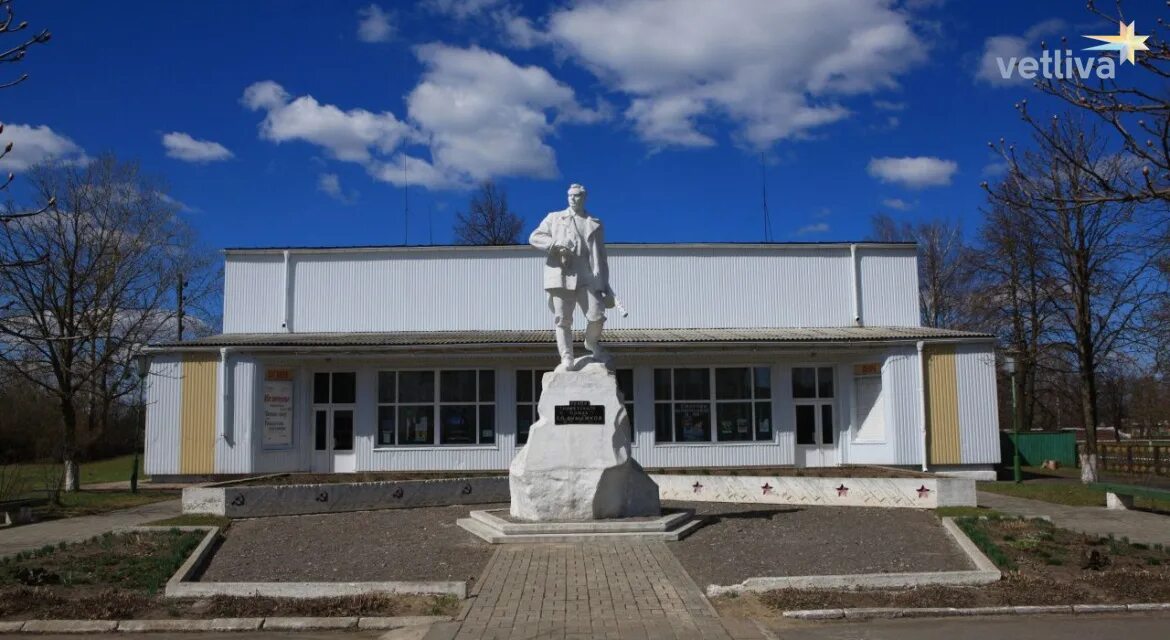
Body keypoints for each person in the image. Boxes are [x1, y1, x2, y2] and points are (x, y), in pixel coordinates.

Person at [529, 183, 615, 370]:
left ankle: (591, 344)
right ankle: (566, 357)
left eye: (576, 196)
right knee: (563, 319)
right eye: (570, 196)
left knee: (597, 316)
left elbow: (601, 256)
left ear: (584, 198)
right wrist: (556, 243)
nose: (573, 199)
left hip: (587, 275)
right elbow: (535, 237)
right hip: (561, 274)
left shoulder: (595, 223)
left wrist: (605, 284)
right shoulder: (554, 218)